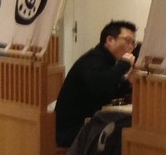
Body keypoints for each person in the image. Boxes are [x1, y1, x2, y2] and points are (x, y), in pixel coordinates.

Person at [54, 20, 136, 148]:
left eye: (133, 43)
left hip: (86, 124)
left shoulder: (107, 61)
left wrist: (127, 83)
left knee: (126, 127)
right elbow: (100, 85)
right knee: (122, 135)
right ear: (110, 40)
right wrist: (124, 65)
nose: (131, 47)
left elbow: (107, 93)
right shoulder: (92, 60)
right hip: (70, 131)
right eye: (127, 41)